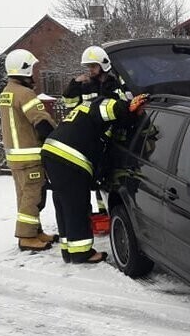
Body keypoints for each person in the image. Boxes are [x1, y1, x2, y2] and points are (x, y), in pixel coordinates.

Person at [41, 92, 150, 264]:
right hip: (69, 156)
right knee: (77, 205)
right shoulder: (102, 103)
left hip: (52, 151)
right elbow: (110, 108)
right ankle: (81, 253)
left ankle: (69, 250)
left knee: (64, 203)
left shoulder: (85, 109)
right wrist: (127, 107)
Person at [0, 49, 58, 252]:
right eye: (32, 68)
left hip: (15, 157)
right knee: (33, 197)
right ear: (24, 70)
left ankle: (35, 231)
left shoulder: (6, 93)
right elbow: (41, 121)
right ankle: (26, 237)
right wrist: (57, 138)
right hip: (30, 156)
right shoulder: (25, 94)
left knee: (24, 196)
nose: (34, 73)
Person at [61, 45, 130, 109]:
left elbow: (126, 106)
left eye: (93, 66)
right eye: (89, 66)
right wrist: (75, 84)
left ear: (103, 65)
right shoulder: (85, 87)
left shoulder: (116, 85)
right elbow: (69, 104)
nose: (90, 69)